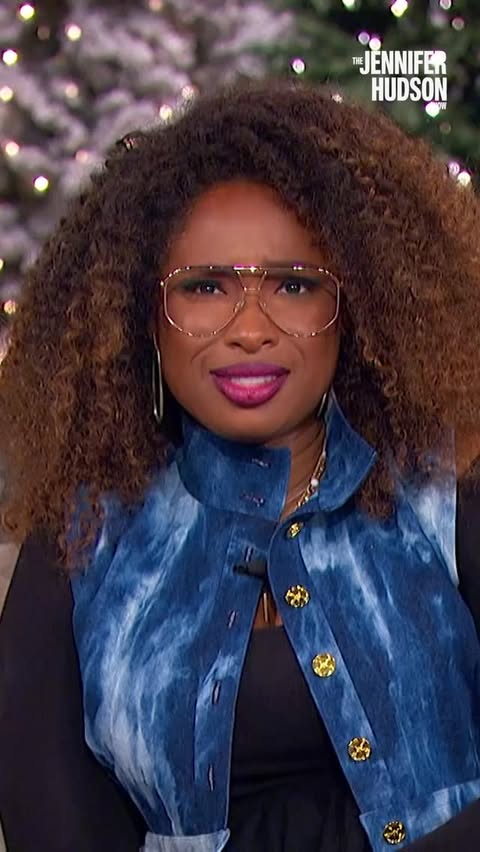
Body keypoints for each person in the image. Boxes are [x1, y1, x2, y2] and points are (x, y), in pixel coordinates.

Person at [0, 77, 479, 852]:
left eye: (293, 285)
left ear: (353, 306)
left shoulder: (449, 492)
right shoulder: (82, 537)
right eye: (204, 287)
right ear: (145, 318)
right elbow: (49, 821)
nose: (250, 328)